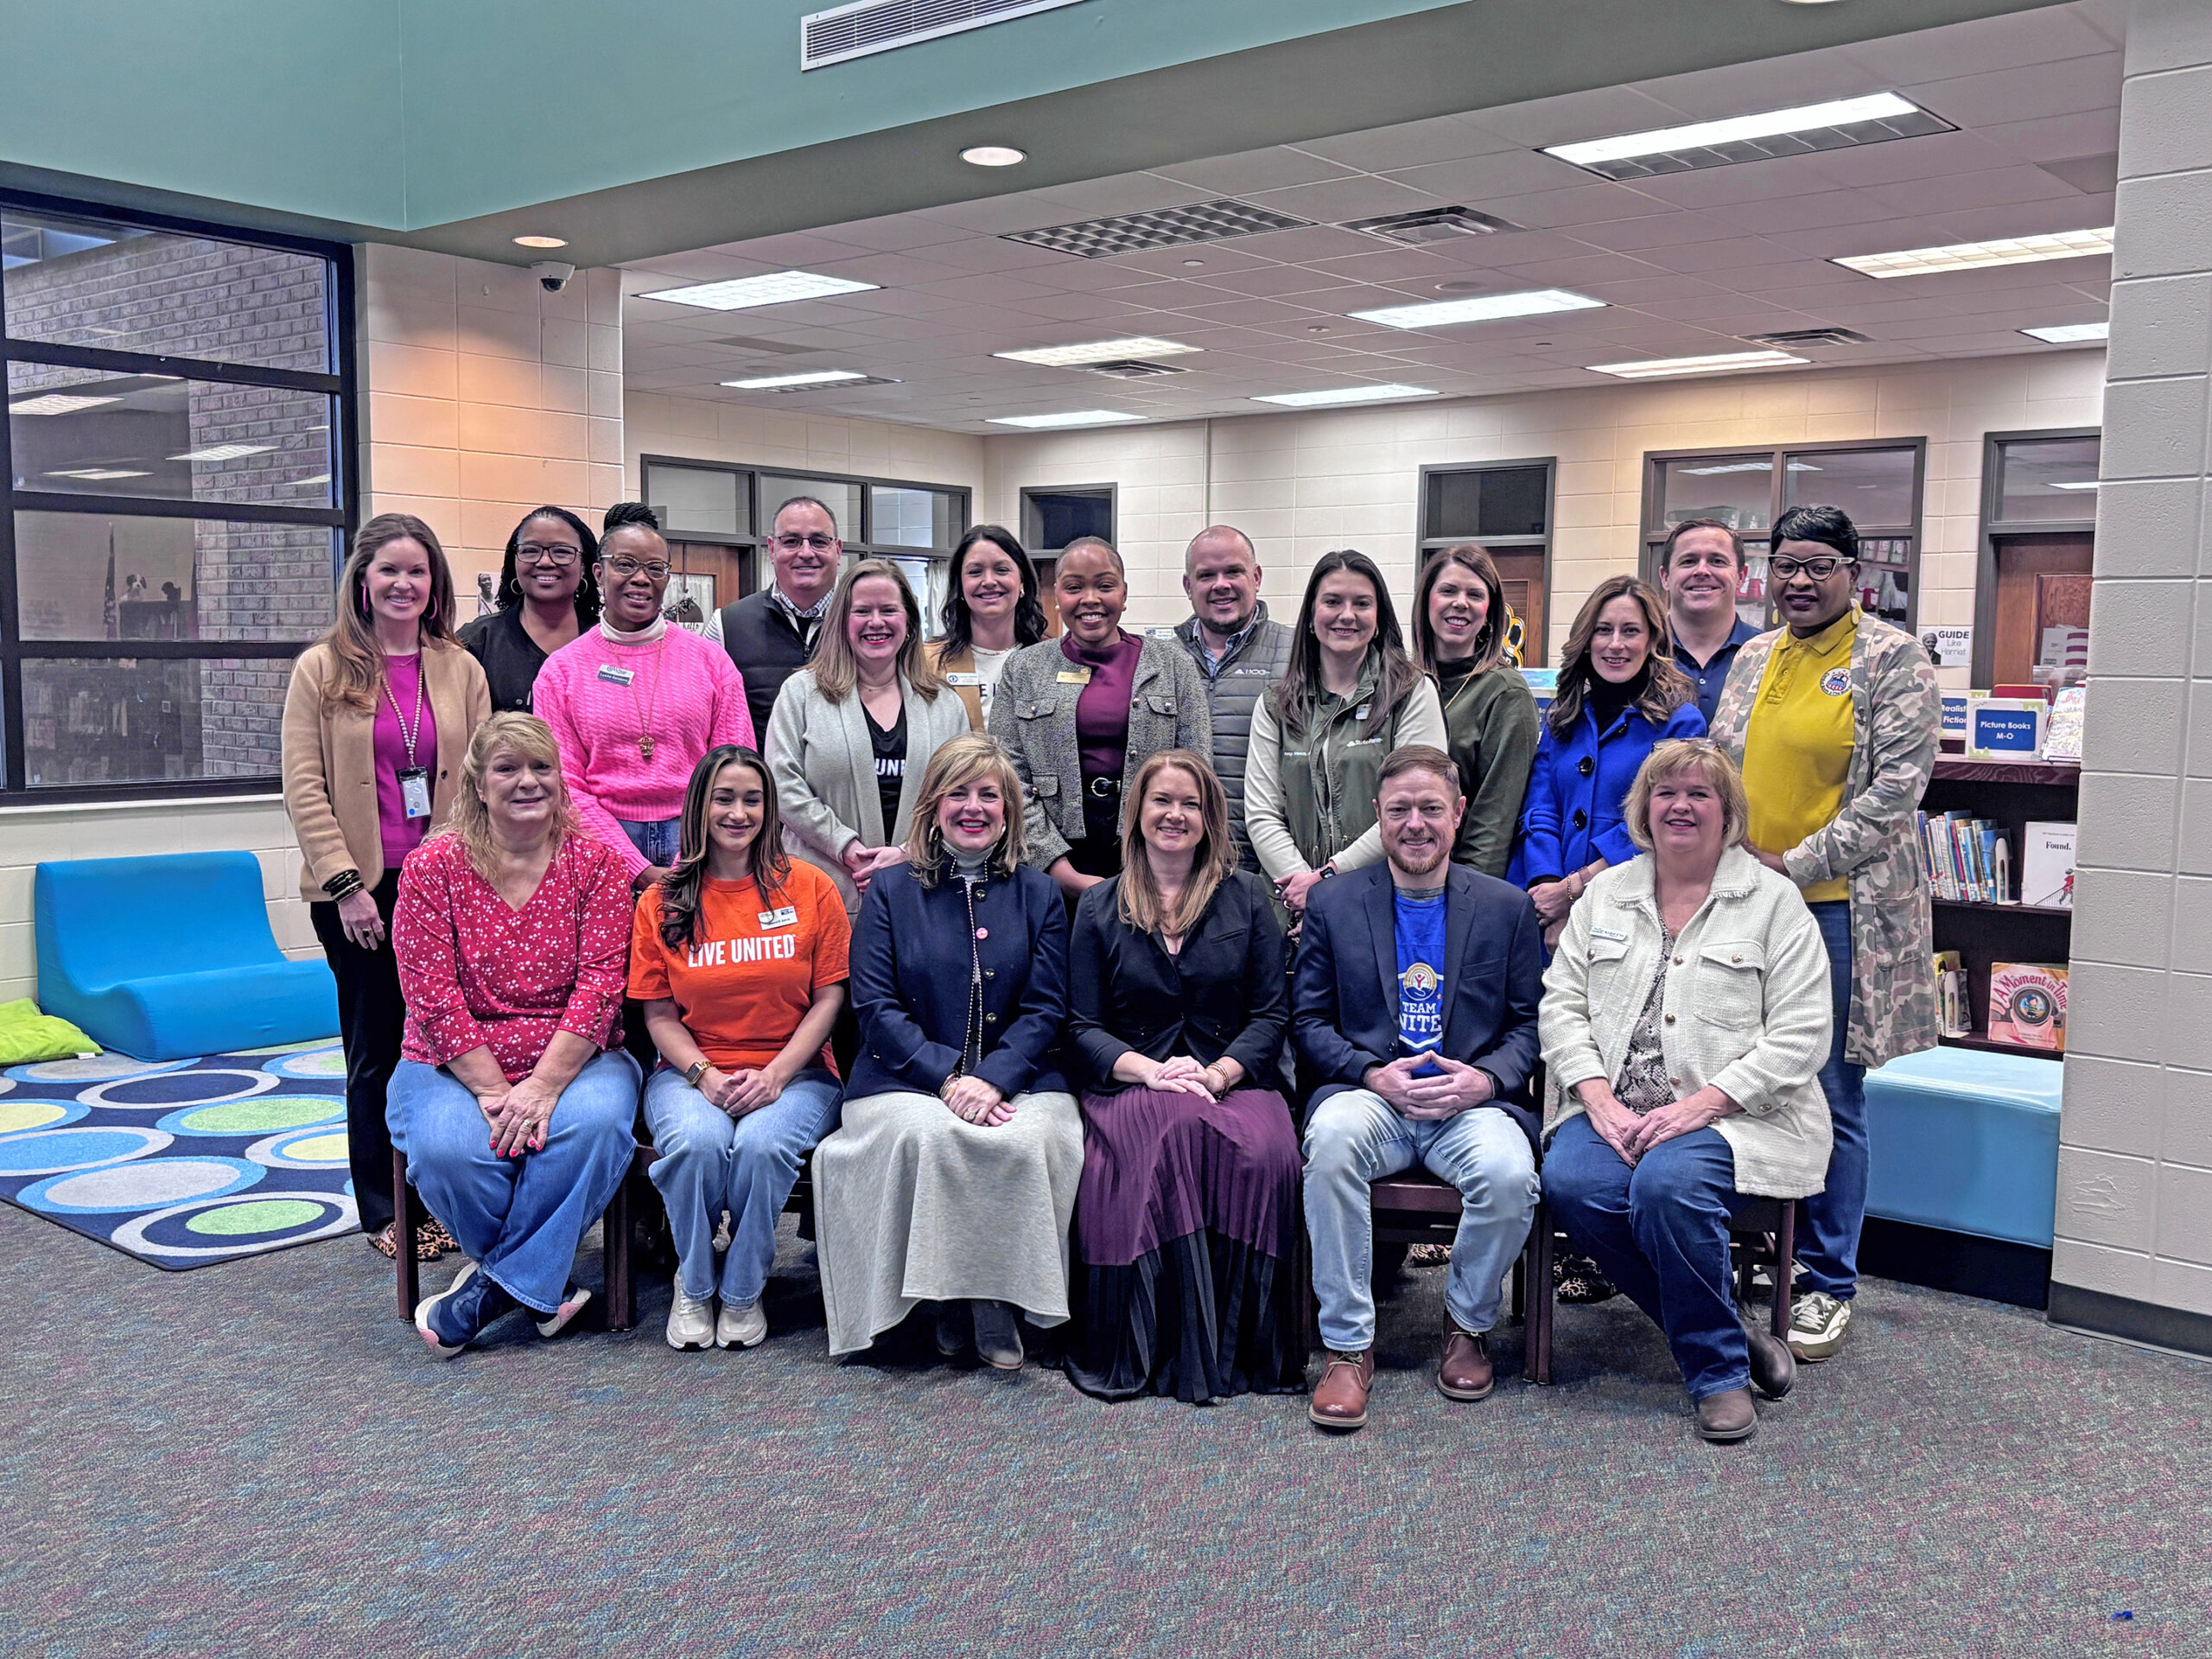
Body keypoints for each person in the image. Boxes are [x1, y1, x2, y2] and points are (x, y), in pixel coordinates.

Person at [1538, 740, 1834, 1442]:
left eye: (1700, 794)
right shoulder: (1607, 894)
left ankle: (1718, 1375)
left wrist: (1704, 1105)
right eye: (1665, 793)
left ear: (1727, 812)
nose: (1680, 806)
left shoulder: (1774, 904)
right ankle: (1731, 1330)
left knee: (1667, 1187)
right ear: (1643, 809)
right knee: (1572, 1180)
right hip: (1610, 1108)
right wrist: (1599, 1100)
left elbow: (1802, 1035)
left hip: (1731, 1116)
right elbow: (1561, 1006)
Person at [1707, 503, 1942, 1365]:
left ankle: (1826, 1281)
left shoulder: (1893, 659)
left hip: (1840, 907)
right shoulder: (1752, 657)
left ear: (1854, 573)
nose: (1798, 581)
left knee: (1833, 1093)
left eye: (1817, 566)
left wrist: (1793, 865)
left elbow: (1894, 795)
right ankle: (1752, 1252)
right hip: (1748, 903)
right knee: (1736, 1071)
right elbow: (1719, 767)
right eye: (1785, 565)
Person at [811, 734, 1082, 1368]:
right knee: (931, 1136)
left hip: (1025, 1077)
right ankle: (938, 1302)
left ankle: (994, 1300)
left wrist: (992, 1079)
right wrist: (947, 1079)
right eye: (958, 792)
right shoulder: (891, 890)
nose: (973, 807)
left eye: (989, 795)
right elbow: (875, 1007)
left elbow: (1047, 1008)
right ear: (933, 805)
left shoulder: (1038, 892)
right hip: (901, 1080)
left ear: (1009, 810)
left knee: (1029, 1141)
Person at [1295, 747, 1544, 1432]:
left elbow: (1531, 1027)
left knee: (1508, 1172)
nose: (1415, 824)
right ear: (1377, 816)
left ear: (1458, 814)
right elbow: (1308, 1020)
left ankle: (1465, 1325)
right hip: (1372, 1094)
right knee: (1334, 1142)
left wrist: (1484, 1079)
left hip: (1470, 1103)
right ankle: (1348, 1346)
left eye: (1431, 808)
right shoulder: (1334, 902)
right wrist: (1371, 1073)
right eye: (1399, 809)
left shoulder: (1506, 908)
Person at [386, 714, 642, 1357]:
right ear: (477, 784)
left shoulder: (601, 868)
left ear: (562, 781)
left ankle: (491, 1292)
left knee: (593, 1127)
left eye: (541, 768)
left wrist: (545, 1087)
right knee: (450, 1150)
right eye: (507, 769)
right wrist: (501, 1092)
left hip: (578, 1056)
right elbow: (432, 997)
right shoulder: (430, 869)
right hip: (451, 1060)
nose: (527, 782)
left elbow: (601, 989)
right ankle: (539, 1285)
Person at [1064, 750, 1304, 1403]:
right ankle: (1160, 1347)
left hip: (1234, 1075)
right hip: (1134, 1083)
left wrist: (1221, 1073)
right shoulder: (1099, 905)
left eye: (1190, 803)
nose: (1175, 814)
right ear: (1136, 812)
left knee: (1267, 1154)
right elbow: (1082, 1026)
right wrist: (1151, 1073)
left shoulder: (1248, 896)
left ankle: (1244, 1351)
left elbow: (1271, 1012)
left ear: (1210, 818)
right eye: (1161, 801)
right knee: (1173, 1131)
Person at [282, 512, 490, 1262]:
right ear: (362, 582)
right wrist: (346, 887)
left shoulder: (460, 668)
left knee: (448, 1043)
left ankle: (445, 1194)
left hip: (447, 887)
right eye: (389, 570)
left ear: (434, 584)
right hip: (359, 894)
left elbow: (482, 778)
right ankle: (383, 1207)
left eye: (419, 571)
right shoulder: (322, 669)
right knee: (377, 1052)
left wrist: (464, 873)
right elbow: (305, 789)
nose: (404, 584)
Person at [632, 746, 850, 1352]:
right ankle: (696, 1284)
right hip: (689, 1071)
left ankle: (742, 1291)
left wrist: (778, 1074)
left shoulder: (810, 888)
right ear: (700, 806)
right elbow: (658, 1013)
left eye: (752, 799)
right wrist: (703, 1075)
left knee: (759, 1145)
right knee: (698, 1144)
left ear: (769, 808)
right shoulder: (664, 901)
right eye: (724, 798)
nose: (738, 812)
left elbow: (830, 998)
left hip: (799, 1071)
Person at [532, 507, 754, 891]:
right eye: (625, 564)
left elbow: (735, 767)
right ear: (598, 573)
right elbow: (564, 782)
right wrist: (633, 865)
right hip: (599, 843)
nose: (640, 578)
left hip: (701, 839)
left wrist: (692, 857)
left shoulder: (711, 661)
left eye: (655, 568)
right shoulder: (562, 671)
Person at [987, 537, 1210, 896]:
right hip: (1048, 868)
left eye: (1105, 586)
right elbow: (1007, 776)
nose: (1090, 598)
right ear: (1057, 595)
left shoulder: (1172, 666)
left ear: (1124, 593)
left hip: (1152, 861)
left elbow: (1197, 771)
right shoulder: (1024, 668)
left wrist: (1164, 860)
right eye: (1075, 587)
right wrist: (1058, 870)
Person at [1244, 550, 1447, 917]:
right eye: (1333, 601)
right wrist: (1301, 889)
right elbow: (1262, 814)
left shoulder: (1411, 693)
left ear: (1379, 617)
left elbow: (1414, 811)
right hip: (1290, 906)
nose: (1347, 615)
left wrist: (1327, 881)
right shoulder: (1276, 705)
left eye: (1362, 603)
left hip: (1381, 900)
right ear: (1310, 616)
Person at [769, 559, 971, 916]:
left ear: (908, 621)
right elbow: (781, 786)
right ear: (841, 622)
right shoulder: (801, 694)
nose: (876, 622)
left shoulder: (944, 703)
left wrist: (909, 852)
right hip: (823, 892)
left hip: (923, 891)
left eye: (888, 610)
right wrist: (847, 847)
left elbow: (962, 792)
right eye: (862, 611)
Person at [1515, 575, 1704, 950]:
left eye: (1630, 631)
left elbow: (1661, 821)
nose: (1615, 644)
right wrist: (1546, 887)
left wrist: (1574, 891)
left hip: (1631, 904)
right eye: (1604, 630)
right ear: (1587, 641)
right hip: (1543, 905)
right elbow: (1540, 809)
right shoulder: (1562, 717)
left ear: (1651, 641)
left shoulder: (1680, 722)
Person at [1409, 543, 1541, 879]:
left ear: (1489, 612)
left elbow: (1494, 823)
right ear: (1427, 601)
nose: (1461, 603)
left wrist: (1464, 900)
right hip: (1391, 878)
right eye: (1448, 590)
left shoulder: (1505, 693)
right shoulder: (1399, 684)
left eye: (1475, 595)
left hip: (1459, 884)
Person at [1168, 525, 1294, 868]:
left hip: (1271, 869)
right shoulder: (1161, 661)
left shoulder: (1298, 655)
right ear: (1188, 586)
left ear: (1256, 577)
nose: (1220, 584)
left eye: (1233, 572)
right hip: (1180, 865)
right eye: (1206, 575)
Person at [707, 495, 843, 741]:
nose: (805, 552)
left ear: (838, 549)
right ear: (772, 549)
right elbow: (707, 719)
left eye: (819, 541)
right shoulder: (726, 626)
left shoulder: (865, 625)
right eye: (791, 541)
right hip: (761, 777)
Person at [457, 505, 602, 714]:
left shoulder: (609, 643)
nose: (544, 562)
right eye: (530, 551)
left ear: (584, 566)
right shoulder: (476, 643)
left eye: (561, 552)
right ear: (514, 561)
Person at [928, 524, 1050, 731]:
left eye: (1002, 570)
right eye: (975, 572)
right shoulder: (928, 663)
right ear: (960, 584)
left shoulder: (1051, 659)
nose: (989, 581)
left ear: (1022, 582)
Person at [1658, 518, 1760, 727]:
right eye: (1688, 561)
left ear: (1741, 576)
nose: (1702, 571)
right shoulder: (1640, 652)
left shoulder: (1769, 656)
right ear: (1665, 577)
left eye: (1717, 561)